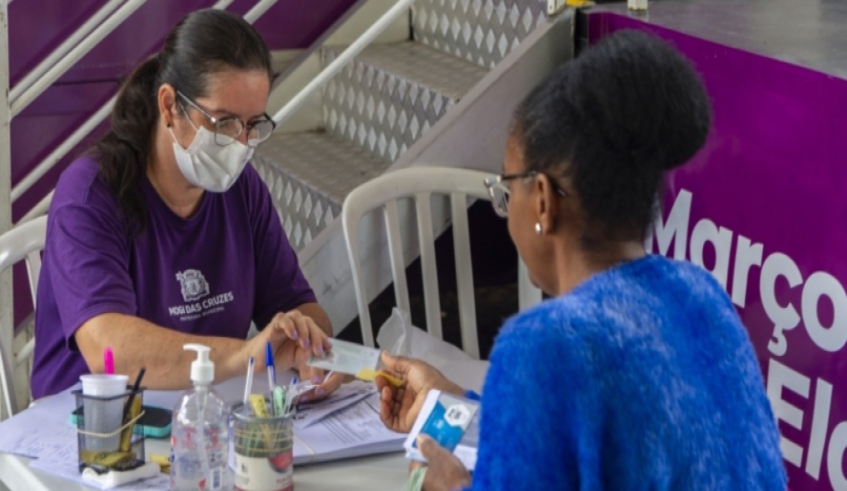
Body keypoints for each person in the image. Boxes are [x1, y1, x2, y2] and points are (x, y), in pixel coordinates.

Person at [376, 30, 787, 490]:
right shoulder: (699, 293)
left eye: (507, 191)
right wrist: (452, 400)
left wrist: (454, 487)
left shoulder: (545, 344)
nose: (506, 208)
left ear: (544, 202)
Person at [31, 9, 343, 399]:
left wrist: (308, 344)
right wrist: (246, 354)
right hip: (92, 429)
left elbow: (300, 307)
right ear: (168, 106)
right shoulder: (91, 192)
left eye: (252, 124)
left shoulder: (242, 189)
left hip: (201, 419)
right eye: (224, 122)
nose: (240, 142)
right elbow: (112, 351)